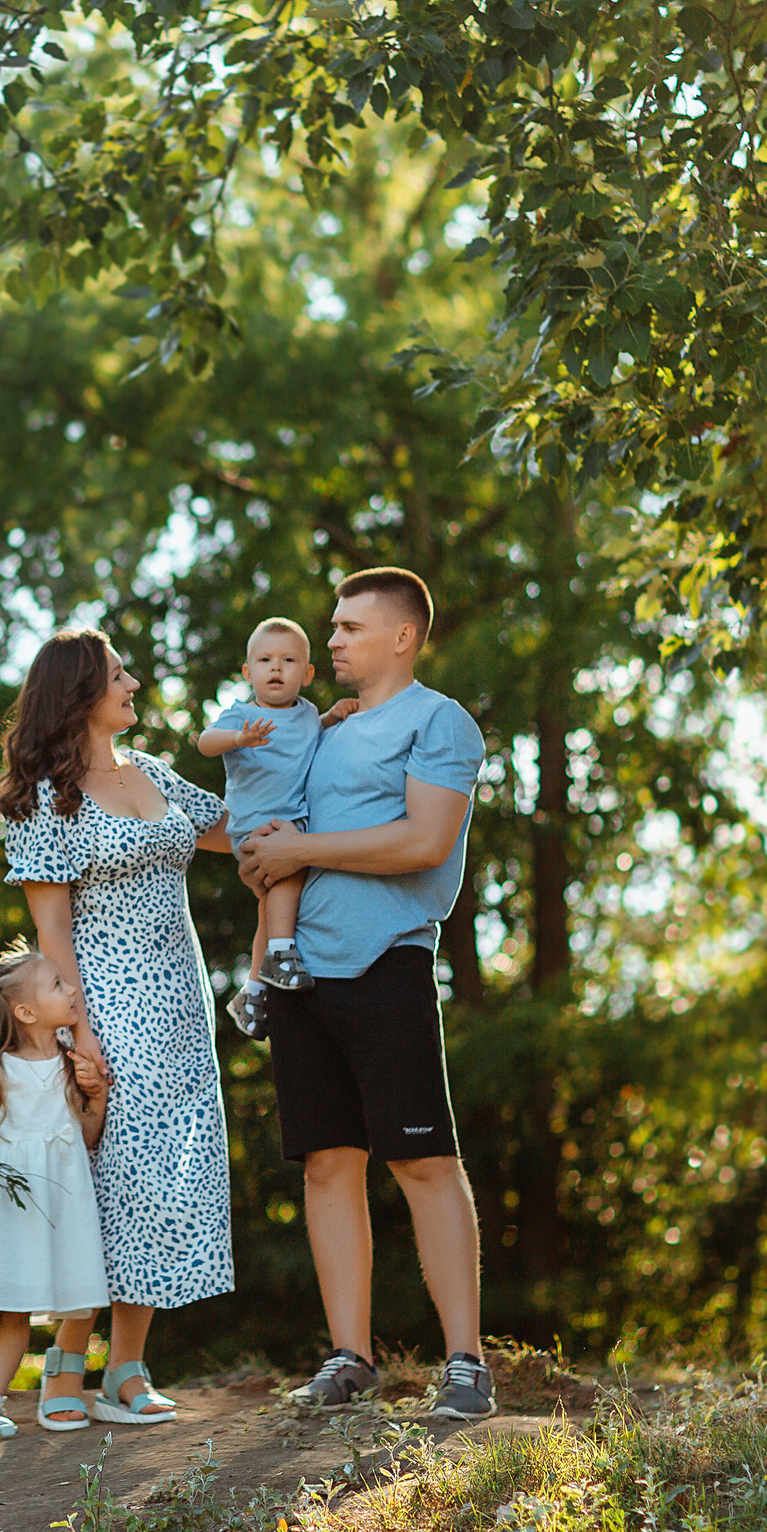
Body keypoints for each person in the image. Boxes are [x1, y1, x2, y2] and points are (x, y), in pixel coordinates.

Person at [233, 567, 496, 1420]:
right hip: (299, 971)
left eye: (348, 627)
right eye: (332, 627)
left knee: (423, 1159)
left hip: (388, 962)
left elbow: (424, 840)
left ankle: (466, 1364)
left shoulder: (438, 720)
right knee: (326, 1164)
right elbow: (265, 817)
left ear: (402, 636)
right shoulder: (319, 727)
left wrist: (304, 849)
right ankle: (351, 1357)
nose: (332, 640)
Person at [0, 629, 235, 1429]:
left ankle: (127, 1366)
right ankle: (66, 1357)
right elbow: (52, 933)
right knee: (103, 1182)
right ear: (79, 693)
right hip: (106, 1004)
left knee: (166, 1182)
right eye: (117, 673)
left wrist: (306, 733)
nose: (134, 682)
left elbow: (237, 831)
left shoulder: (154, 773)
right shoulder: (42, 796)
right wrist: (80, 1035)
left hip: (182, 1006)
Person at [0, 943, 112, 1442]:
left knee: (17, 1308)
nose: (72, 989)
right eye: (58, 984)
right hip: (0, 1200)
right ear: (26, 1011)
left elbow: (83, 1138)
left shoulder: (70, 1061)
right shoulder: (0, 1068)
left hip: (50, 1203)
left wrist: (95, 1099)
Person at [194, 616, 361, 1039]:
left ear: (306, 675)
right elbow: (204, 741)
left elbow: (309, 736)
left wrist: (333, 716)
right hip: (255, 824)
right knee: (288, 877)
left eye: (288, 661)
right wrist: (236, 739)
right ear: (248, 672)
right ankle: (281, 954)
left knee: (270, 902)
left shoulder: (306, 713)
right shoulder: (242, 715)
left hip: (291, 820)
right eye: (265, 660)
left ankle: (251, 990)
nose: (276, 668)